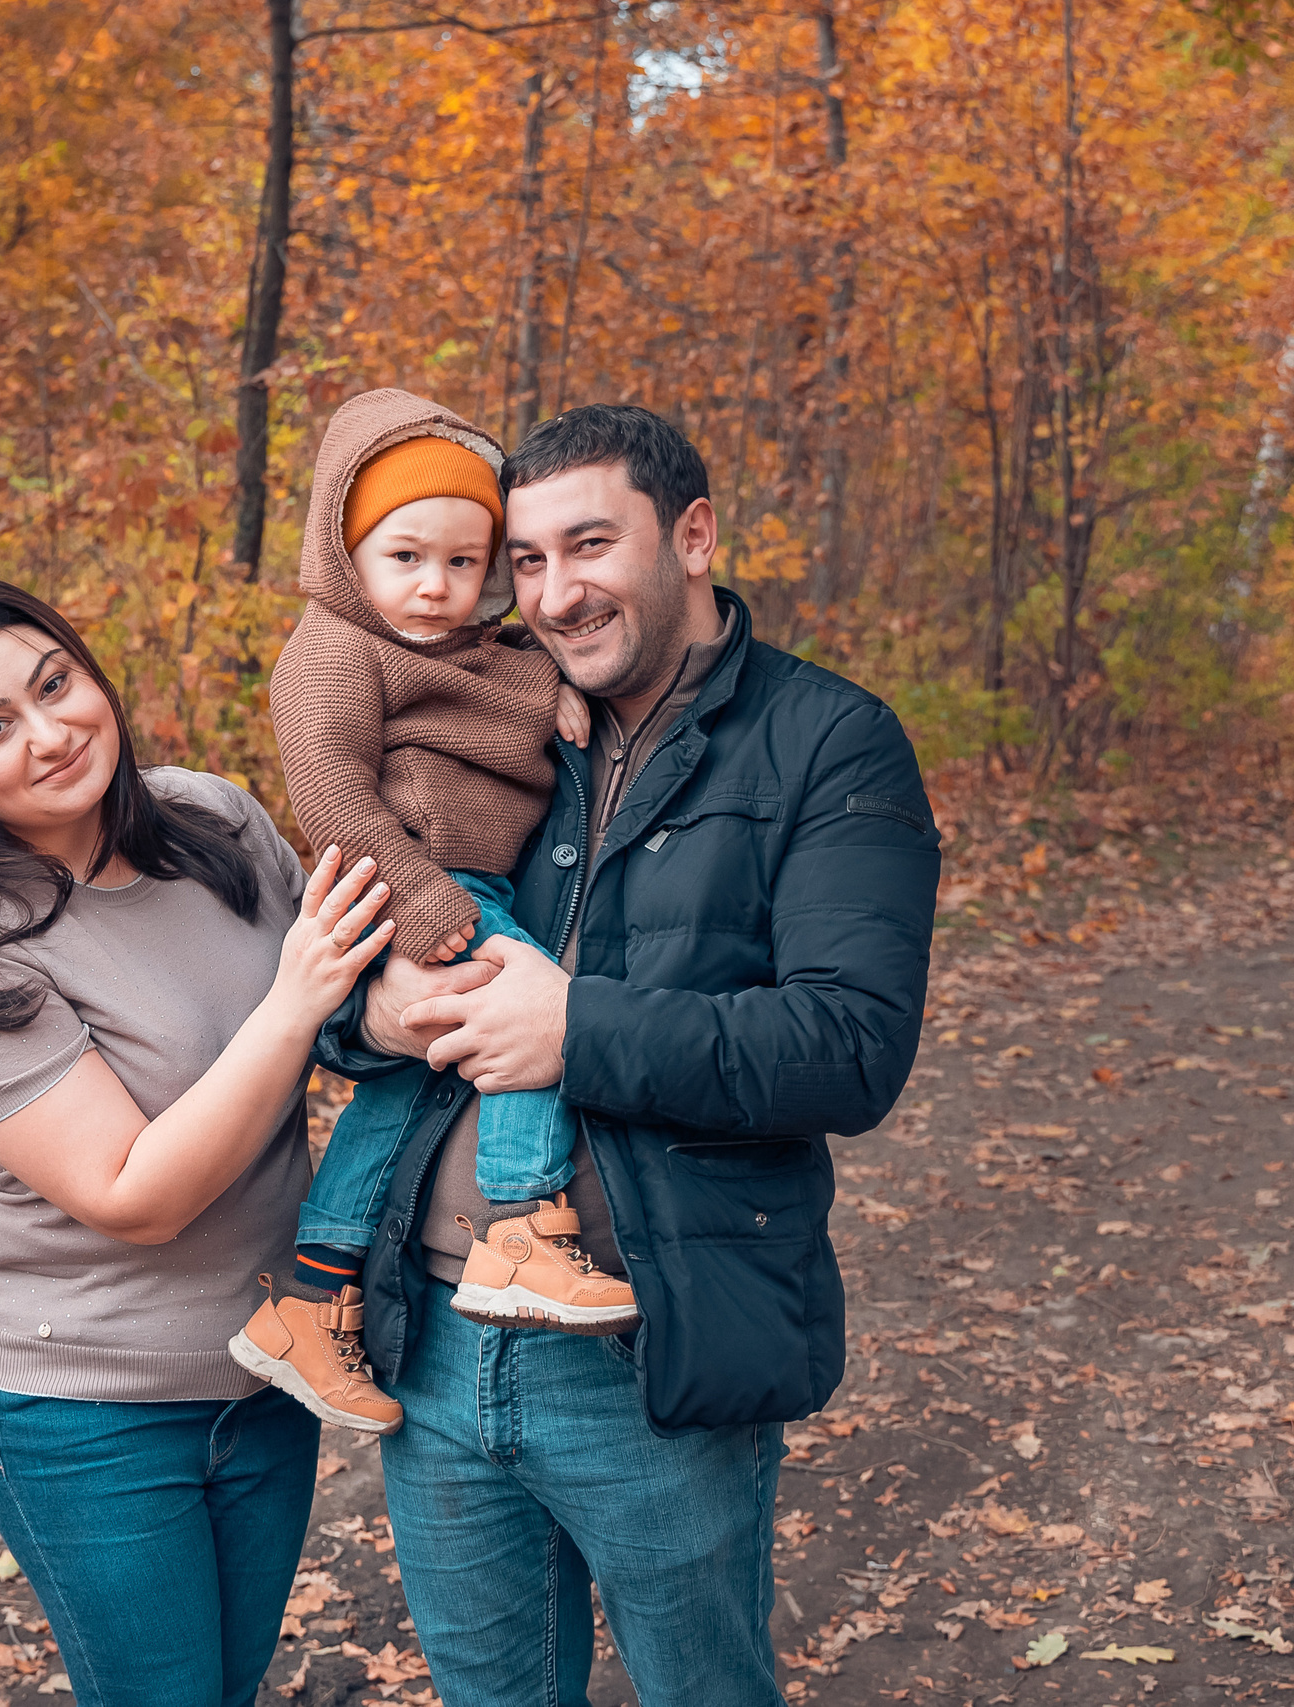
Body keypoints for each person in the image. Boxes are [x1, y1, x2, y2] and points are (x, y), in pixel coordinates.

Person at [316, 405, 940, 1706]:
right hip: (429, 1344)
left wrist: (577, 1026)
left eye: (588, 545)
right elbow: (344, 938)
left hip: (646, 1338)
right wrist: (363, 1022)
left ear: (695, 534)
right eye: (526, 560)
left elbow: (850, 1044)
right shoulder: (496, 715)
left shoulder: (828, 741)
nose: (551, 593)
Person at [0, 575, 395, 1707]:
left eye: (56, 684)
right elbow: (132, 1193)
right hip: (84, 1413)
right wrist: (293, 1002)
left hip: (265, 1364)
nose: (49, 734)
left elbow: (347, 1009)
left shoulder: (214, 822)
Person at [233, 390, 637, 1438]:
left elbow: (511, 679)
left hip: (457, 891)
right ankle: (522, 1222)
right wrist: (420, 903)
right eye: (406, 557)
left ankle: (314, 1302)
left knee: (406, 1099)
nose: (435, 586)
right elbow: (325, 790)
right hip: (405, 889)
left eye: (465, 563)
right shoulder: (332, 648)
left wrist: (557, 687)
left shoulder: (479, 650)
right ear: (347, 552)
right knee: (526, 1021)